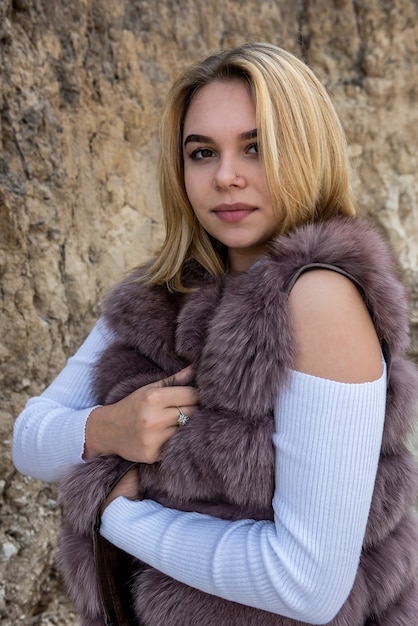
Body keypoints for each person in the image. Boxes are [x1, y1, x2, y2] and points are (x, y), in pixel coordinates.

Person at [12, 42, 418, 626]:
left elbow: (306, 585)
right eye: (202, 153)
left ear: (306, 151)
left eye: (256, 147)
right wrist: (113, 428)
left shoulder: (320, 297)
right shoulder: (159, 293)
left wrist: (117, 516)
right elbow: (30, 440)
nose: (226, 177)